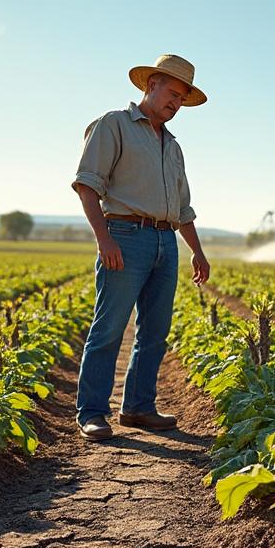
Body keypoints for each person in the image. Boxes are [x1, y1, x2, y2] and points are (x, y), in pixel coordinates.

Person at [69, 54, 211, 440]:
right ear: (151, 85)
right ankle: (92, 412)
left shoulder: (173, 146)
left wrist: (197, 250)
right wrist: (104, 239)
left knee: (155, 331)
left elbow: (183, 208)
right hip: (125, 237)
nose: (176, 103)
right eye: (173, 93)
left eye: (183, 99)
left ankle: (137, 407)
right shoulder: (113, 125)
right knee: (110, 326)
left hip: (167, 241)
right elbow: (87, 185)